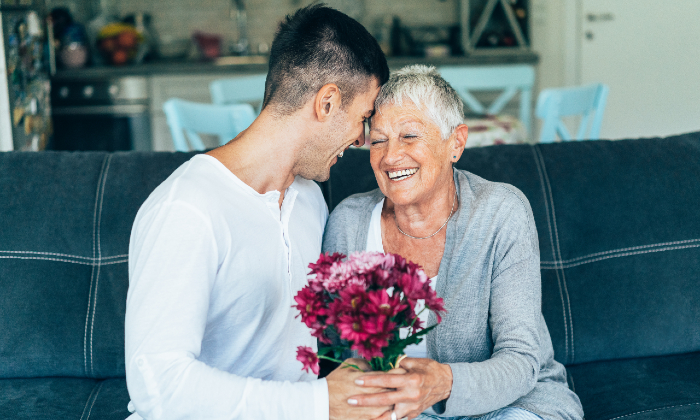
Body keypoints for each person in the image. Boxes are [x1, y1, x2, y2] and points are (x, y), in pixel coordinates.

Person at [124, 5, 392, 420]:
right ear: (326, 102)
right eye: (363, 118)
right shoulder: (186, 208)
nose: (361, 139)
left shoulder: (309, 200)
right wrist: (320, 403)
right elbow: (158, 385)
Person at [322, 65, 584, 420]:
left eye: (410, 136)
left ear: (456, 143)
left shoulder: (501, 212)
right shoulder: (348, 222)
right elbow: (336, 354)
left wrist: (443, 383)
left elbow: (522, 363)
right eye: (379, 140)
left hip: (509, 405)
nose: (390, 156)